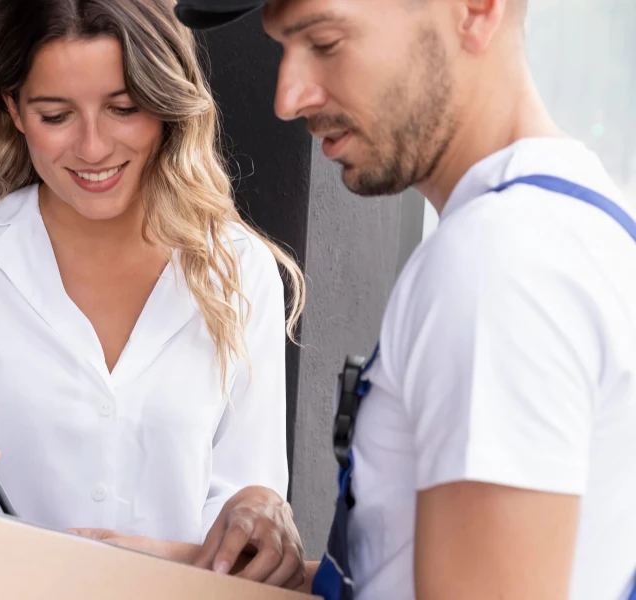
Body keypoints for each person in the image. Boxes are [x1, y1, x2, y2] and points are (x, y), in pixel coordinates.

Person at [0, 0, 310, 588]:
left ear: (166, 104)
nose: (94, 148)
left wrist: (261, 515)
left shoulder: (237, 268)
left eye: (124, 108)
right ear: (14, 109)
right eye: (56, 116)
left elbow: (246, 503)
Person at [174, 0, 636, 598]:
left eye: (326, 41)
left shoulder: (500, 264)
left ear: (475, 11)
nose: (288, 98)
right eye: (284, 48)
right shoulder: (578, 224)